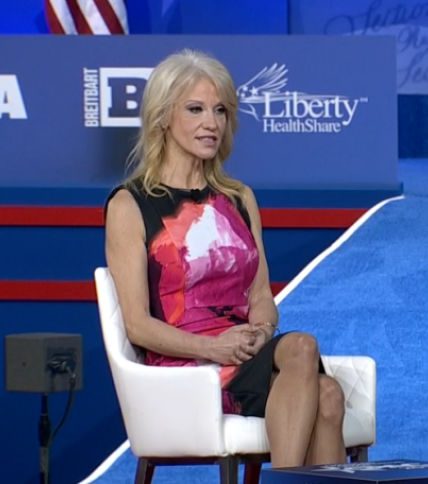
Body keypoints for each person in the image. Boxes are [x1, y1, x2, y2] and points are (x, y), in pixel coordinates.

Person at [104, 49, 347, 468]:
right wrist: (212, 348)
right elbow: (138, 326)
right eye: (195, 109)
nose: (211, 123)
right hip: (186, 367)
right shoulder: (131, 204)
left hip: (241, 352)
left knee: (323, 386)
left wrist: (261, 329)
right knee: (317, 375)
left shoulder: (239, 198)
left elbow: (260, 296)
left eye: (220, 111)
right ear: (163, 116)